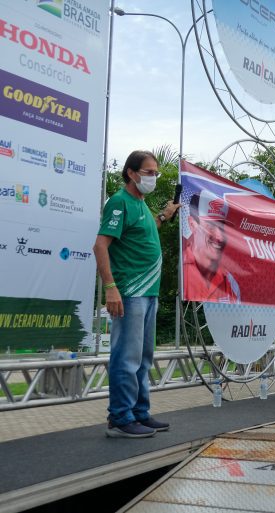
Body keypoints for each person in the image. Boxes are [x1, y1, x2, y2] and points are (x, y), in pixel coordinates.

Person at [93, 150, 179, 438]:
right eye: (148, 172)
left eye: (156, 173)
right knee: (126, 358)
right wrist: (110, 287)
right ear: (131, 173)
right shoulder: (120, 202)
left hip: (149, 292)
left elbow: (143, 231)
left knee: (143, 358)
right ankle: (120, 418)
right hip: (130, 292)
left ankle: (139, 413)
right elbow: (100, 246)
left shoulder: (141, 204)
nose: (153, 178)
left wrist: (164, 217)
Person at [183, 190, 240, 303]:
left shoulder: (229, 280)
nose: (220, 237)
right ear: (192, 224)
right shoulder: (180, 270)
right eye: (211, 226)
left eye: (222, 227)